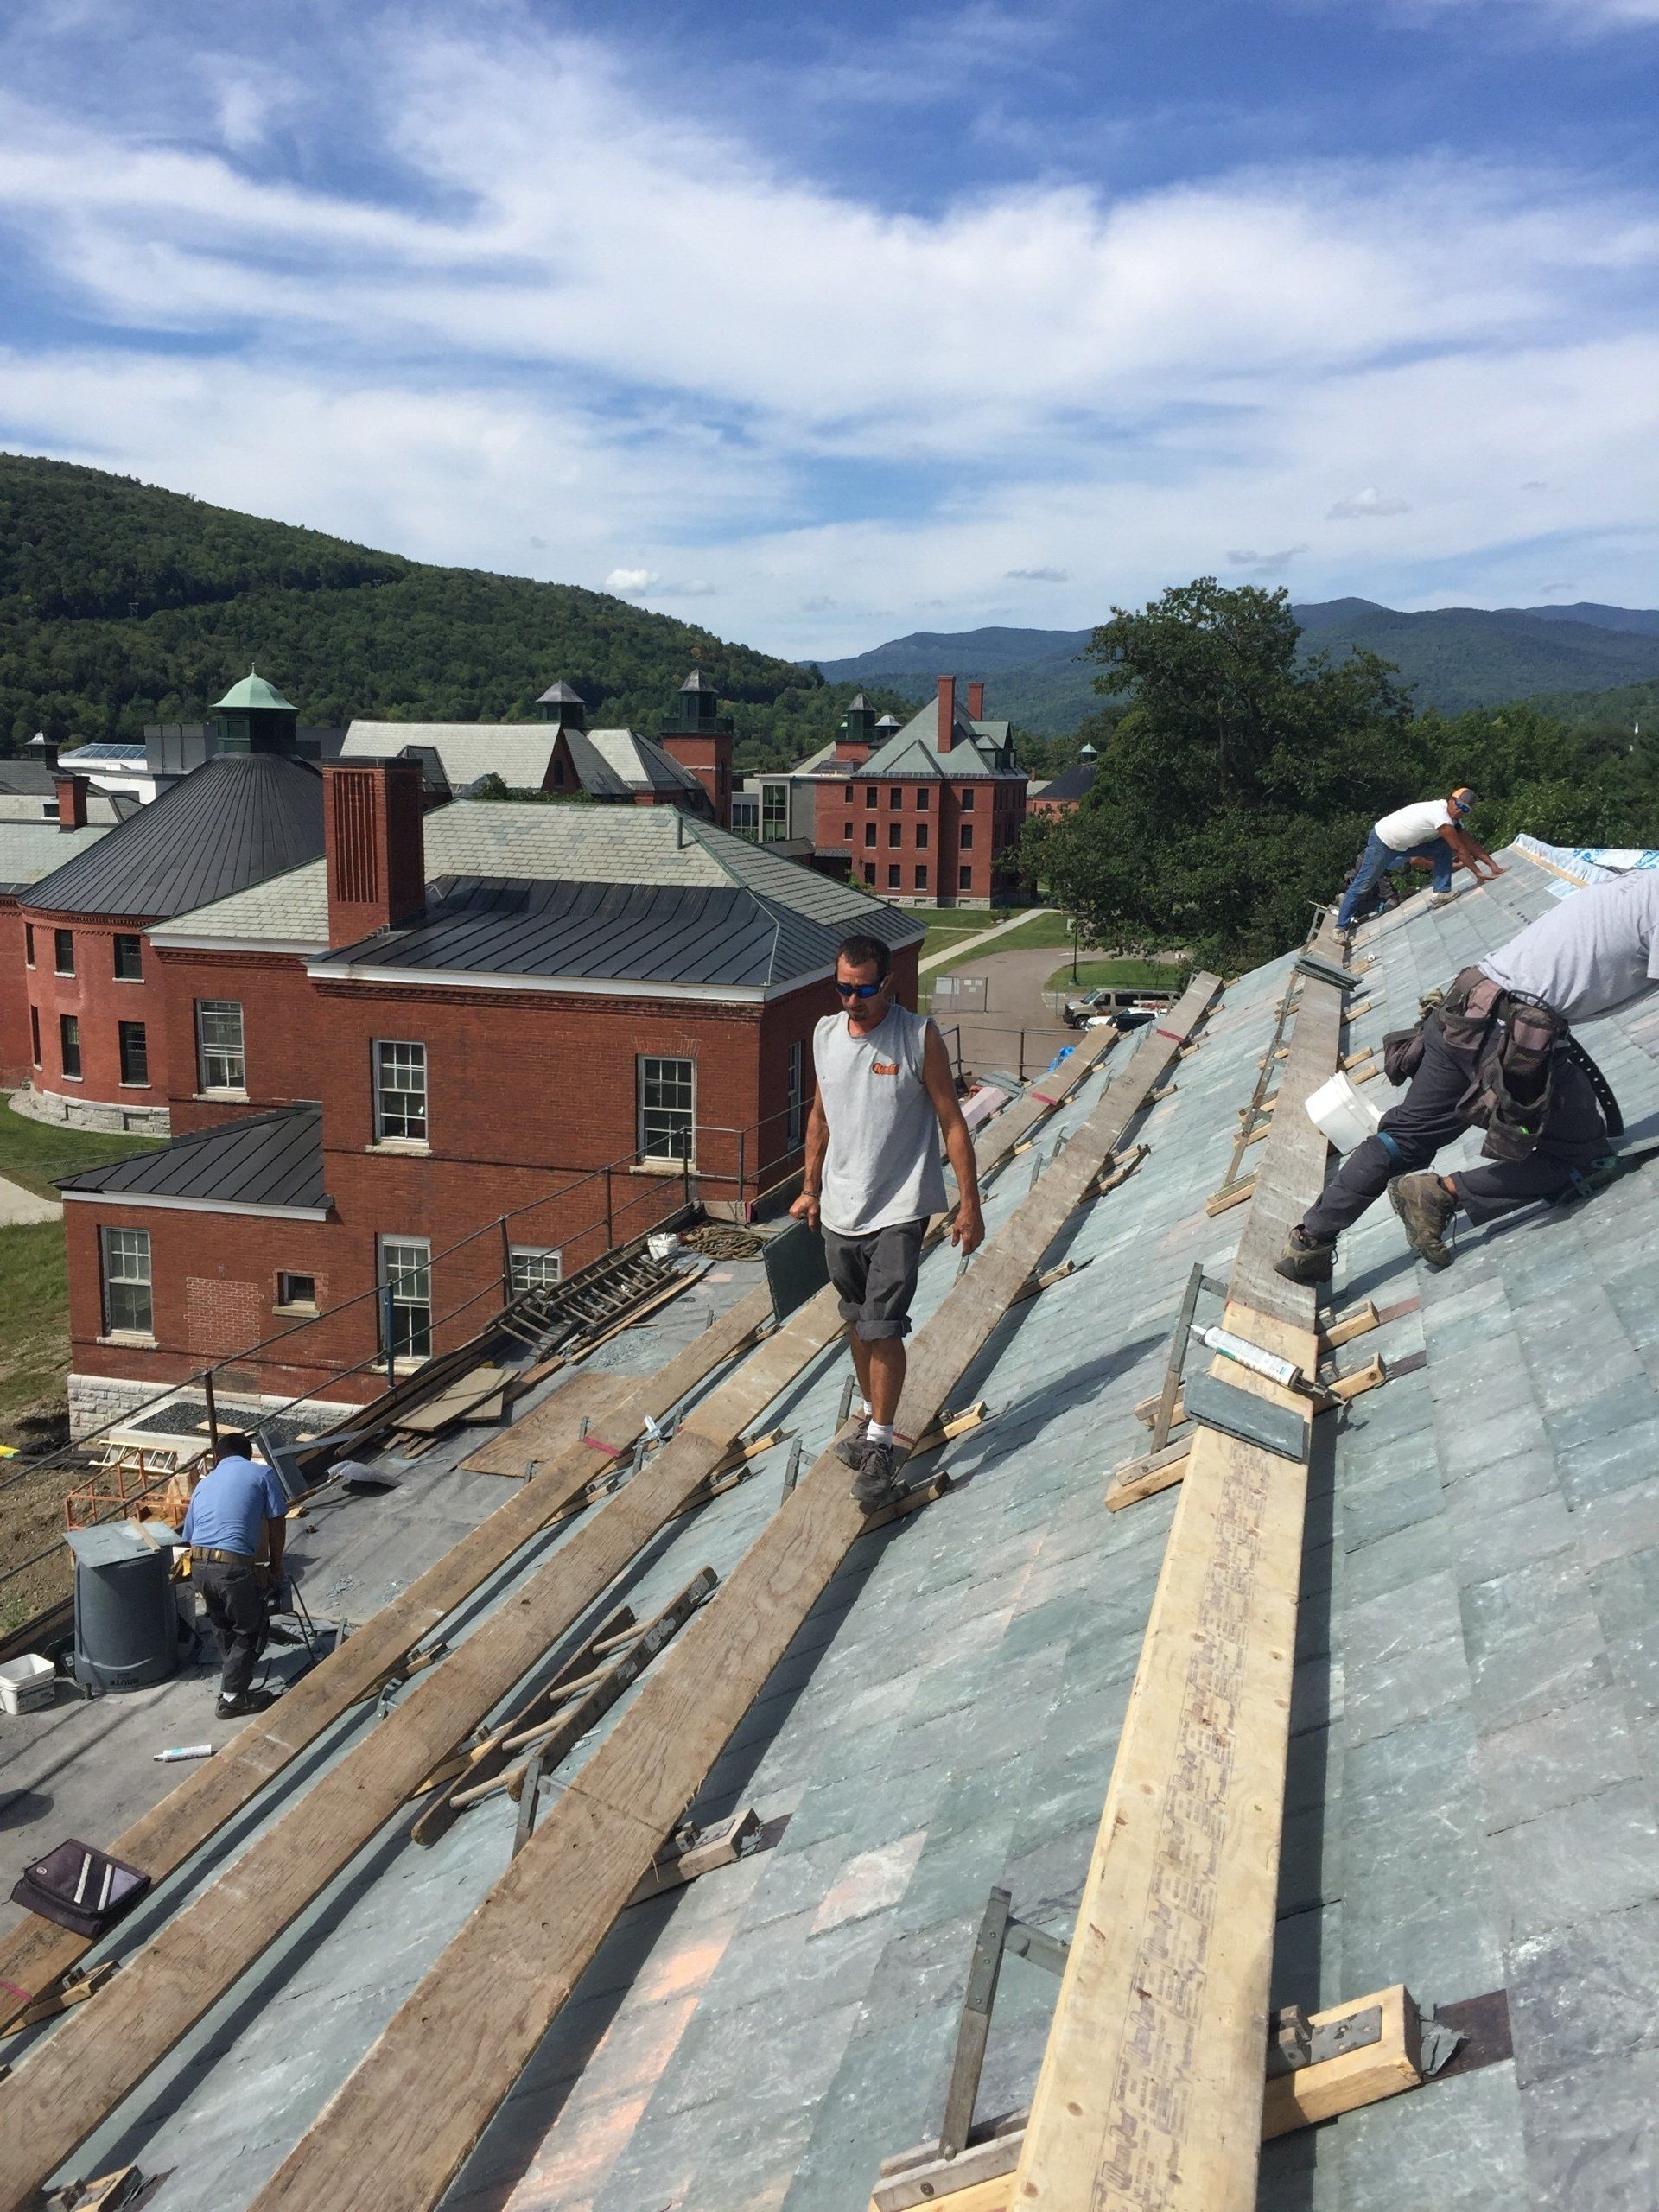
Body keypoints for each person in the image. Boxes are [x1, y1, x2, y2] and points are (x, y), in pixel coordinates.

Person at [1278, 867, 1659, 1283]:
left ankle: (1309, 1241)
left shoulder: (1638, 883)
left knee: (1403, 1138)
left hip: (1463, 1014)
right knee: (1586, 1158)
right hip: (1510, 1043)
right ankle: (1441, 1194)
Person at [792, 933, 985, 1506]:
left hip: (899, 1207)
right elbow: (821, 1115)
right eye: (844, 990)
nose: (853, 1001)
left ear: (889, 982)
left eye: (865, 990)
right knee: (856, 1321)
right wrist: (809, 1187)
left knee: (882, 1324)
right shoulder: (825, 1035)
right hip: (840, 1210)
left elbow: (952, 1120)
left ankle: (880, 1442)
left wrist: (969, 1204)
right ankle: (874, 1419)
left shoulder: (916, 1036)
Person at [181, 1431, 288, 1718]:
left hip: (199, 1567)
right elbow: (277, 1523)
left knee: (223, 1624)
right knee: (251, 1627)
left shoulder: (203, 1485)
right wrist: (275, 1566)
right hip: (231, 1568)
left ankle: (233, 1680)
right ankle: (233, 1697)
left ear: (217, 1457)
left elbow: (189, 1534)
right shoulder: (262, 1474)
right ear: (248, 1454)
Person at [1334, 788, 1497, 937]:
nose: (1459, 810)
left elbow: (1471, 844)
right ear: (1450, 800)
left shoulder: (1453, 822)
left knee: (1442, 847)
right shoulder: (1439, 815)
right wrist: (1478, 873)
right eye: (1458, 805)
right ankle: (1340, 929)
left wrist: (1493, 867)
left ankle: (1441, 892)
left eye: (1465, 810)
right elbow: (1458, 848)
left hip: (1402, 847)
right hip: (1383, 842)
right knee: (1363, 885)